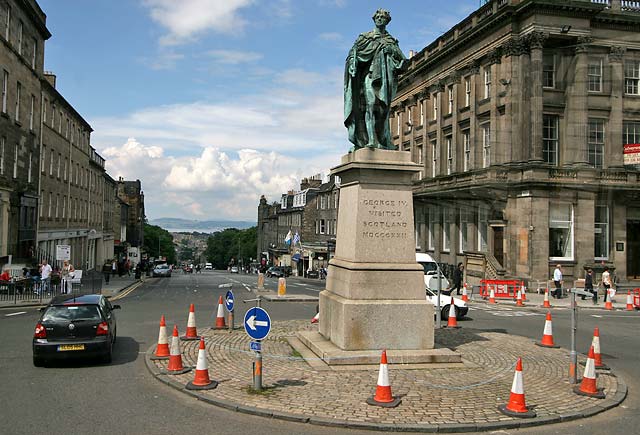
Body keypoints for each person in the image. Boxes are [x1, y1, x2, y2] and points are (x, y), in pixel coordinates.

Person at [344, 8, 407, 151]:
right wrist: (352, 64)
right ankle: (371, 140)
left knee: (383, 111)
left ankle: (384, 140)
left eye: (383, 17)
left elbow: (403, 61)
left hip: (385, 79)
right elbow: (352, 55)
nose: (380, 19)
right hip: (369, 76)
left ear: (387, 21)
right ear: (374, 19)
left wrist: (392, 52)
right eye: (377, 17)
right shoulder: (364, 38)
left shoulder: (391, 41)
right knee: (370, 106)